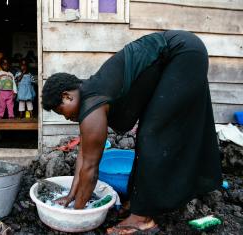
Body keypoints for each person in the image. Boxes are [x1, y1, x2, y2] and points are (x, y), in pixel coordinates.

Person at [41, 30, 222, 234]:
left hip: (182, 53)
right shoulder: (89, 96)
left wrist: (77, 215)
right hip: (175, 55)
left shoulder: (92, 105)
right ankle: (140, 203)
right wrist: (70, 197)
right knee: (147, 133)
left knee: (152, 134)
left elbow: (91, 170)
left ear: (66, 97)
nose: (65, 117)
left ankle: (142, 217)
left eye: (61, 112)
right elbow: (83, 158)